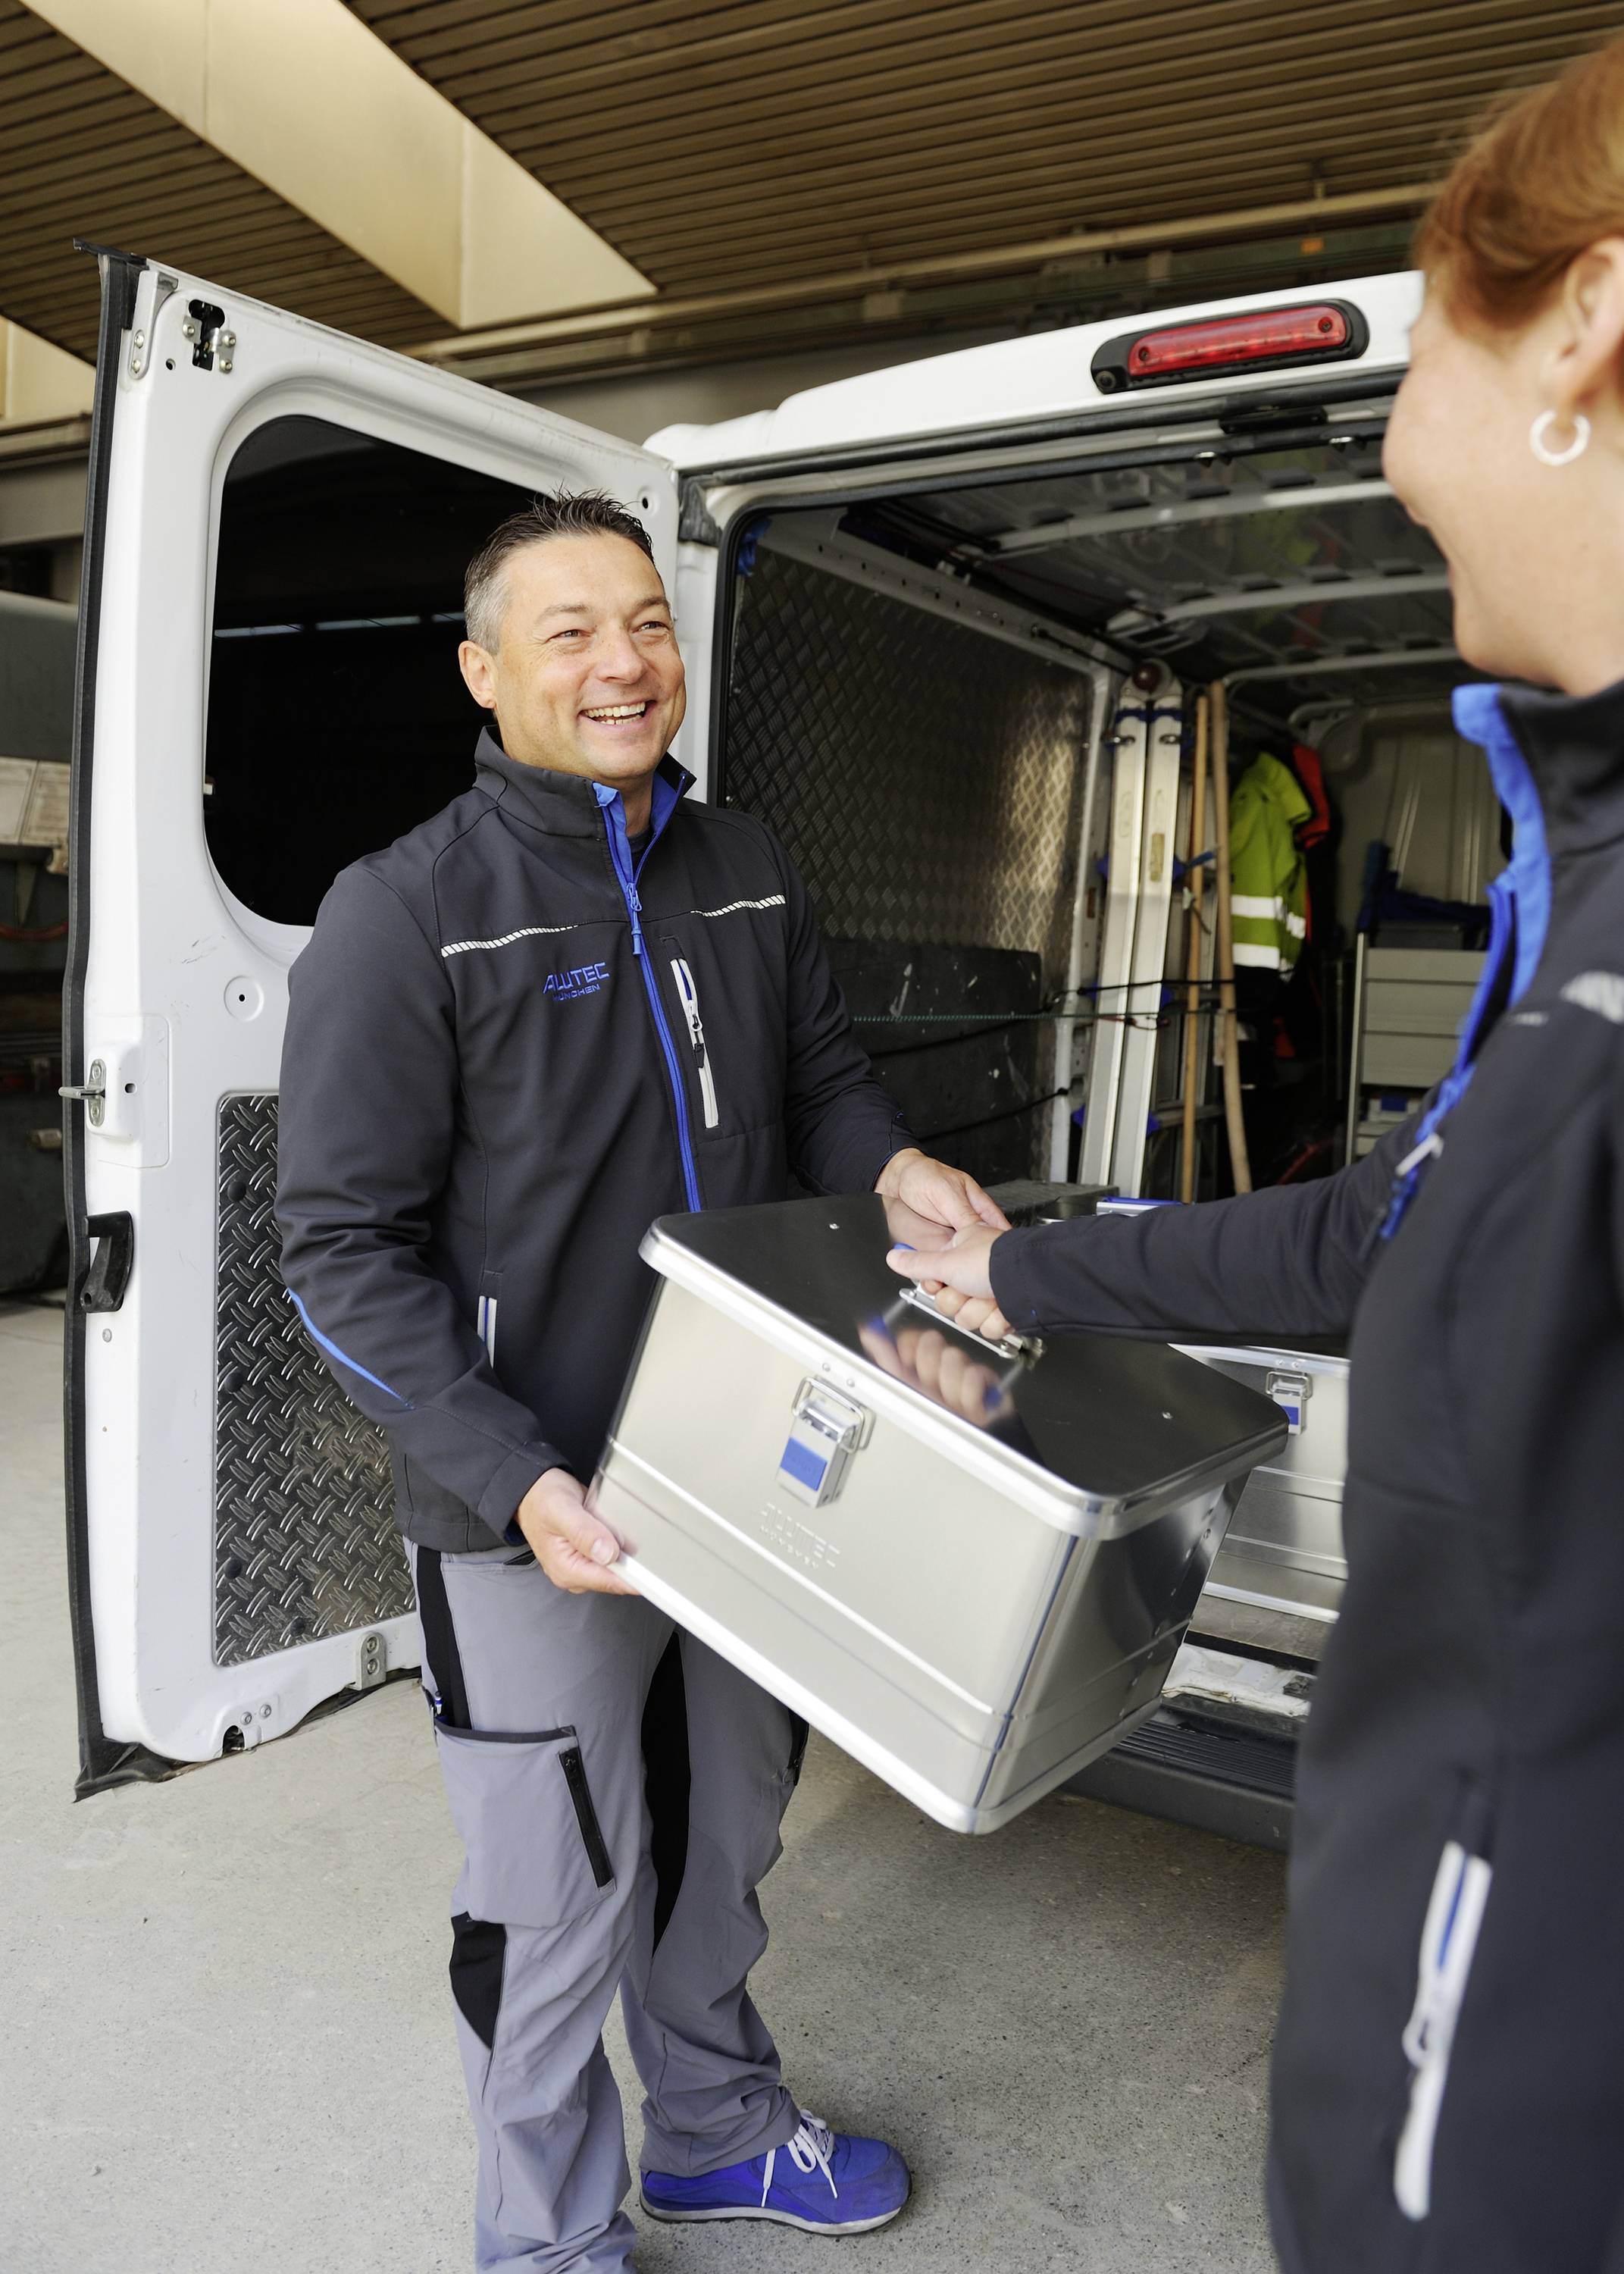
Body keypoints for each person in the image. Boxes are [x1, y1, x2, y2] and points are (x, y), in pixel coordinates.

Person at [891, 39, 1624, 2274]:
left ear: (1582, 330)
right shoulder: (1580, 894)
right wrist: (1025, 1274)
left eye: (1425, 337)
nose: (1404, 438)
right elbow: (1385, 1237)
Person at [275, 491, 1006, 2273]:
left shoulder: (740, 860)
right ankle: (543, 2232)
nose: (624, 664)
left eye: (648, 625)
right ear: (484, 670)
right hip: (536, 1499)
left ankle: (712, 2130)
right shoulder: (409, 911)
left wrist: (891, 1161)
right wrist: (513, 1472)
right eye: (570, 632)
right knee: (549, 1889)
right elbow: (336, 1252)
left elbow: (820, 1074)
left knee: (721, 1830)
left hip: (749, 1467)